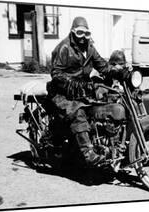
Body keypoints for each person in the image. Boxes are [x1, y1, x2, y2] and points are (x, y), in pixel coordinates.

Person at [46, 17, 130, 168]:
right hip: (61, 93)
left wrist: (120, 73)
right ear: (73, 32)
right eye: (79, 33)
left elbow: (103, 67)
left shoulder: (90, 49)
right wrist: (72, 84)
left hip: (82, 90)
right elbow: (56, 74)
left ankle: (109, 143)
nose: (83, 37)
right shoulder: (64, 48)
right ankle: (88, 153)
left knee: (105, 104)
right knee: (78, 111)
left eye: (86, 33)